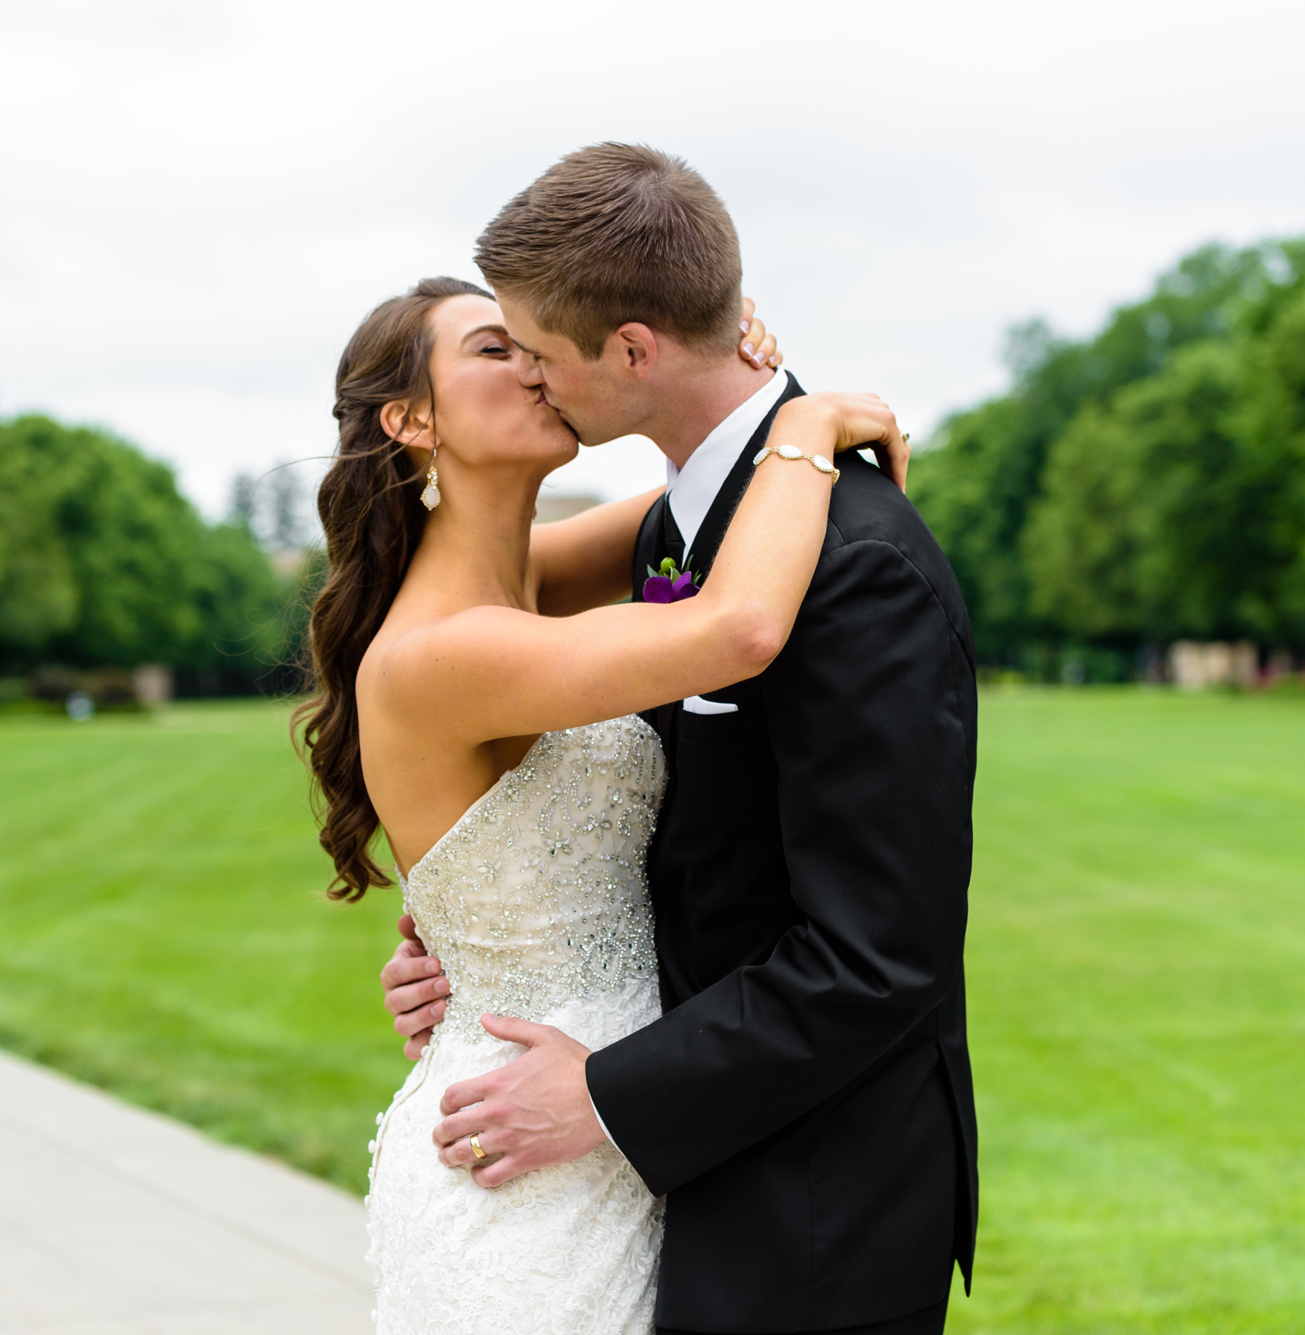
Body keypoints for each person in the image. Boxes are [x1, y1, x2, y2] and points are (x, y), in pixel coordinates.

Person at [370, 145, 980, 1335]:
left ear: (632, 351)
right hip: (631, 1157)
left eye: (533, 350)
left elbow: (876, 956)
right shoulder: (687, 535)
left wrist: (603, 1093)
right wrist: (472, 945)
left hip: (808, 1203)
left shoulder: (846, 563)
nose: (535, 379)